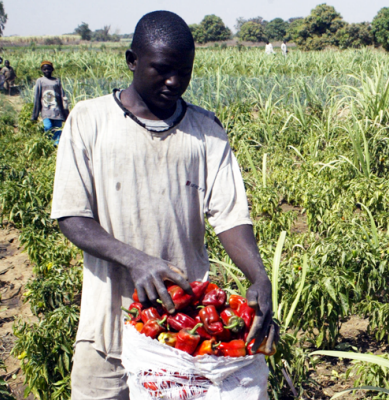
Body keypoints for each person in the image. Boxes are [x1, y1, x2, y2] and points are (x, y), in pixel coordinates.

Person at [50, 10, 278, 399]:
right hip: (107, 327)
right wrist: (136, 260)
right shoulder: (90, 121)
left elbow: (230, 217)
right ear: (132, 60)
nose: (174, 82)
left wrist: (258, 275)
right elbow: (72, 216)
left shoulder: (205, 131)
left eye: (184, 72)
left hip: (180, 333)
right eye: (162, 70)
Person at [31, 61, 69, 145]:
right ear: (42, 70)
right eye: (44, 69)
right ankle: (48, 144)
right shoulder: (40, 81)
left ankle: (55, 147)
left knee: (57, 130)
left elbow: (62, 96)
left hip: (57, 111)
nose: (47, 71)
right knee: (48, 127)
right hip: (46, 110)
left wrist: (65, 111)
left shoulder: (56, 81)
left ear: (52, 69)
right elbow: (37, 97)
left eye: (48, 69)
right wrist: (35, 115)